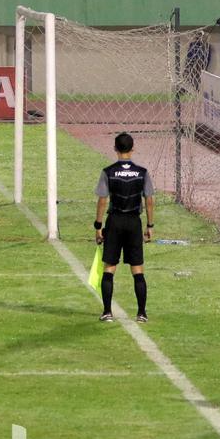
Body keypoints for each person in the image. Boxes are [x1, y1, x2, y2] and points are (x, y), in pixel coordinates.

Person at [94, 132, 154, 323]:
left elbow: (102, 201)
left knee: (109, 267)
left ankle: (107, 312)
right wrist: (150, 225)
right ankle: (142, 313)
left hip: (115, 221)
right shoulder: (142, 172)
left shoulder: (108, 172)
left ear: (115, 149)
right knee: (137, 269)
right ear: (133, 148)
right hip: (134, 223)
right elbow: (149, 200)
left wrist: (98, 225)